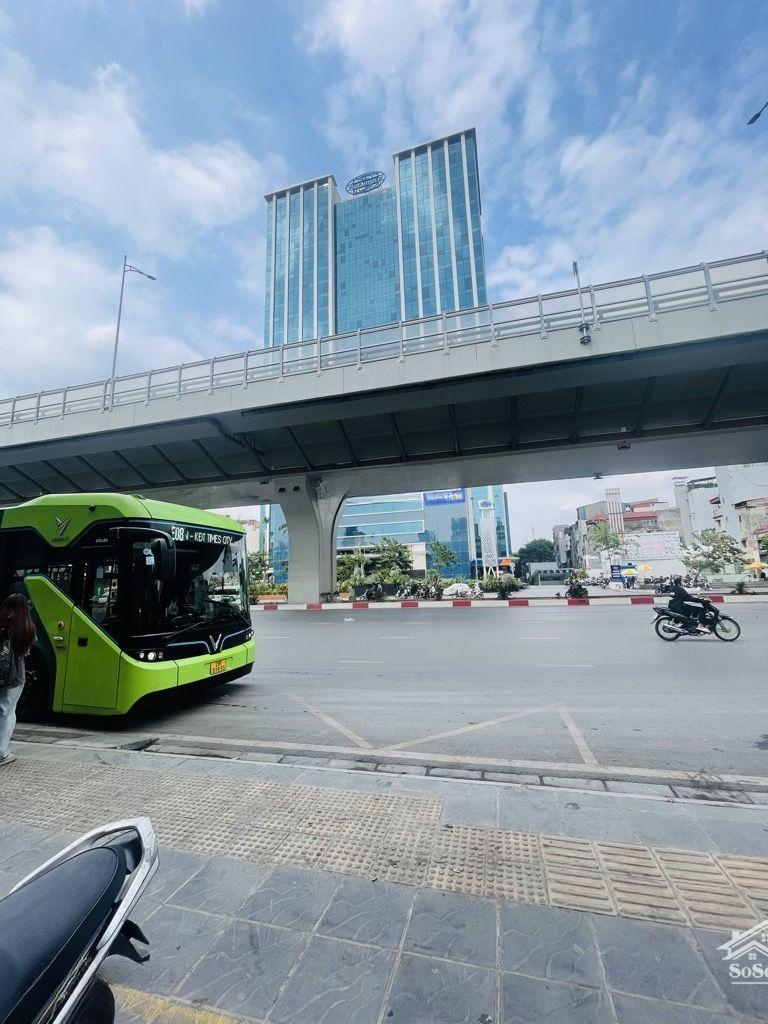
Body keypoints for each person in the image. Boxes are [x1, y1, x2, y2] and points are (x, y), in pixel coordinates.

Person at [0, 594, 36, 766]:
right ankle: (2, 753)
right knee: (7, 712)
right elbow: (27, 651)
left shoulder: (2, 624)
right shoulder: (27, 627)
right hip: (15, 677)